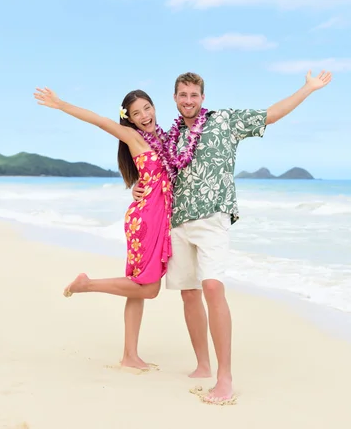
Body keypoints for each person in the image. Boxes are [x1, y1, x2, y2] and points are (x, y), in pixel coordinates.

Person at [133, 69, 332, 403]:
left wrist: (307, 89)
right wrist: (139, 188)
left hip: (213, 215)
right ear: (175, 98)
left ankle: (224, 378)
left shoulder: (225, 120)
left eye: (194, 95)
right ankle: (202, 365)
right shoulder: (170, 137)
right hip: (178, 220)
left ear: (203, 97)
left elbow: (272, 114)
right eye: (183, 95)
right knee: (189, 293)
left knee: (212, 285)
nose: (188, 100)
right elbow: (156, 172)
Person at [34, 87, 173, 371]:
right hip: (145, 221)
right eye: (136, 113)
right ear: (130, 120)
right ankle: (87, 285)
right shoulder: (133, 137)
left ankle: (129, 356)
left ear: (154, 107)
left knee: (137, 288)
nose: (144, 115)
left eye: (147, 108)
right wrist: (61, 104)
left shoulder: (167, 139)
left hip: (159, 220)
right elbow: (98, 121)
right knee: (148, 289)